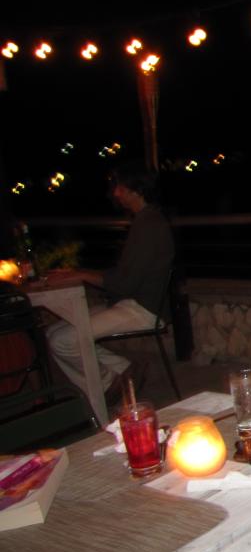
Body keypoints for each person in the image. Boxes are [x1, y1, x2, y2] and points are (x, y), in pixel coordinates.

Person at [45, 161, 174, 401]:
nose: (116, 193)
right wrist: (79, 272)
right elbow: (125, 275)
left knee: (63, 340)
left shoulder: (148, 225)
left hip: (143, 308)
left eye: (120, 188)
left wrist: (82, 274)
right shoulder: (146, 220)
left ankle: (106, 386)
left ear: (136, 190)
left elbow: (124, 283)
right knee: (54, 332)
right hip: (132, 301)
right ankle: (123, 370)